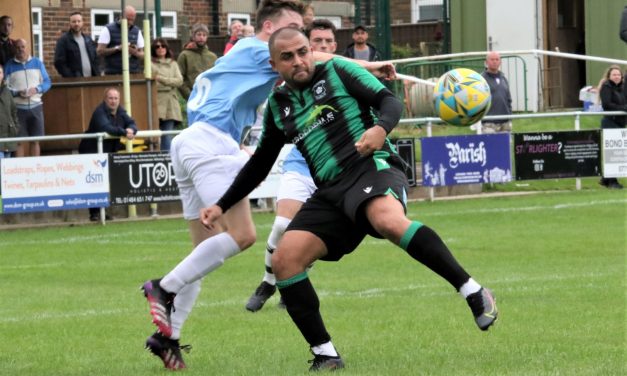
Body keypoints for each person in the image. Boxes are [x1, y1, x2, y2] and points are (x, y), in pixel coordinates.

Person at [201, 27, 498, 371]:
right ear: (273, 64)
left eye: (303, 51)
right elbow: (259, 164)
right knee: (285, 260)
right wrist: (221, 205)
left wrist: (380, 128)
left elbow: (389, 101)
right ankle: (326, 354)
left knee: (386, 220)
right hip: (330, 191)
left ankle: (474, 291)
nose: (299, 61)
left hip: (372, 166)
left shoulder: (339, 71)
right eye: (288, 57)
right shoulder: (278, 106)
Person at [140, 0, 395, 370]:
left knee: (202, 254)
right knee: (243, 236)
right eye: (290, 29)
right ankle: (162, 287)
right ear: (269, 27)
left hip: (189, 141)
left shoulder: (243, 53)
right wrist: (371, 65)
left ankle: (168, 336)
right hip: (212, 143)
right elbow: (326, 61)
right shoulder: (262, 49)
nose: (297, 41)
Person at [245, 18, 338, 312]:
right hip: (301, 160)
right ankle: (267, 281)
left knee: (311, 234)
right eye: (317, 41)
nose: (322, 46)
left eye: (328, 42)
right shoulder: (291, 73)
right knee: (282, 225)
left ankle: (291, 280)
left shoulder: (342, 75)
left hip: (337, 164)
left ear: (333, 47)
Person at [78, 87, 137, 220]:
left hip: (107, 152)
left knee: (105, 182)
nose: (113, 101)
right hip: (91, 151)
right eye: (110, 98)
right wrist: (125, 132)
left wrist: (131, 130)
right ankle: (94, 213)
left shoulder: (121, 111)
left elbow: (132, 123)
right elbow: (106, 128)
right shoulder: (99, 112)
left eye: (116, 98)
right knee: (94, 182)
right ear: (105, 99)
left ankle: (102, 212)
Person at [4, 39, 51, 158]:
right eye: (18, 47)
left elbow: (47, 82)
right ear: (14, 49)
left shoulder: (37, 63)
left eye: (23, 47)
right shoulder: (9, 66)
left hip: (36, 107)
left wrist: (36, 89)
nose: (20, 49)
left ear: (28, 47)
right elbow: (4, 88)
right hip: (17, 109)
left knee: (35, 140)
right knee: (19, 141)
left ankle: (35, 169)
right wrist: (17, 93)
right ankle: (21, 171)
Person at [597, 65, 626, 189]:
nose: (617, 77)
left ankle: (606, 179)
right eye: (614, 74)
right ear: (609, 76)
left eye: (618, 74)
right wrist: (624, 108)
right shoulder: (606, 87)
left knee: (617, 152)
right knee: (613, 152)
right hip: (610, 122)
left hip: (620, 123)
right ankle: (612, 181)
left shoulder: (622, 88)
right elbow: (607, 105)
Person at [151, 38, 183, 151]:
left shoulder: (173, 64)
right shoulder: (150, 64)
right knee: (153, 135)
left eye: (163, 46)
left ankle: (168, 159)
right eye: (157, 47)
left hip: (171, 103)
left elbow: (179, 81)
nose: (160, 49)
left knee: (167, 134)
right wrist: (170, 82)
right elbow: (150, 80)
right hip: (156, 101)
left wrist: (160, 78)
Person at [96, 5, 144, 75]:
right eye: (128, 19)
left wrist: (134, 52)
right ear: (121, 16)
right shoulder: (108, 29)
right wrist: (118, 48)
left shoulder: (137, 31)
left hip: (133, 72)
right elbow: (99, 51)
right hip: (113, 73)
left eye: (132, 20)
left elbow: (142, 54)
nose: (130, 22)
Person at [177, 23, 217, 100]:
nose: (201, 37)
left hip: (210, 97)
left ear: (207, 37)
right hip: (193, 96)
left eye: (204, 35)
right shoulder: (184, 55)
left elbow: (216, 77)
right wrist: (189, 95)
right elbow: (180, 78)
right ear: (193, 36)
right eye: (199, 34)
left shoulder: (213, 56)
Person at [54, 12, 100, 77]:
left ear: (82, 22)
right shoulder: (63, 40)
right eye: (74, 21)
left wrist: (97, 72)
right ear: (70, 23)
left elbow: (95, 59)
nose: (76, 24)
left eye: (79, 21)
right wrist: (71, 77)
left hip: (91, 80)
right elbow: (59, 62)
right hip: (74, 82)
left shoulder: (88, 39)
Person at [480, 51, 513, 133]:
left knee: (505, 146)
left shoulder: (503, 78)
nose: (495, 62)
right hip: (488, 123)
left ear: (500, 62)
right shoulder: (481, 79)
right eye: (492, 59)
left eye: (497, 59)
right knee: (491, 145)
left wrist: (509, 115)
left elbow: (508, 99)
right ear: (486, 62)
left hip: (505, 123)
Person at [0, 65, 19, 159]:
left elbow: (13, 111)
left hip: (8, 137)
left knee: (7, 169)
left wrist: (15, 127)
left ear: (3, 75)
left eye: (0, 73)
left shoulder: (7, 91)